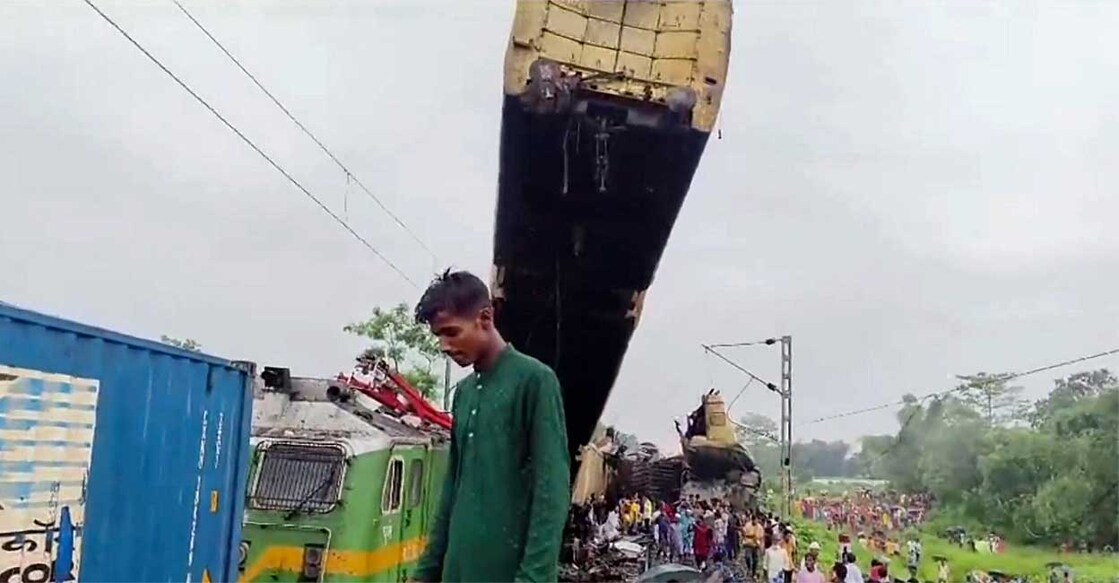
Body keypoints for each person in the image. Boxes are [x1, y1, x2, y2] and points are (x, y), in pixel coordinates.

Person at [410, 270, 571, 582]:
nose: (444, 345)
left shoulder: (535, 381)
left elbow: (551, 491)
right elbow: (452, 491)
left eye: (451, 332)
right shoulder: (465, 393)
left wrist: (534, 577)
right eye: (438, 336)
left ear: (485, 318)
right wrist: (426, 572)